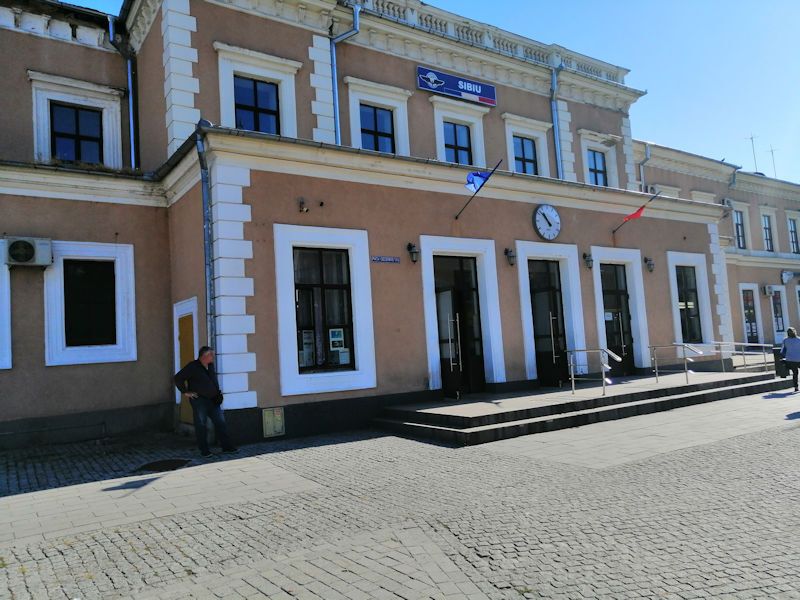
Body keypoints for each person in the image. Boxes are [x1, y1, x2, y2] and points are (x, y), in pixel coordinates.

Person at [174, 346, 238, 456]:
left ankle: (227, 447)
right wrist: (185, 392)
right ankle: (204, 450)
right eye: (211, 355)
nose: (213, 357)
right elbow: (178, 378)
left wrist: (217, 393)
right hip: (200, 401)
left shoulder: (210, 366)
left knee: (220, 423)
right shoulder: (192, 366)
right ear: (204, 356)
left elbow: (213, 381)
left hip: (213, 400)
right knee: (201, 425)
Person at [780, 327, 800, 392]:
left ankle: (796, 387)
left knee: (795, 373)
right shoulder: (799, 339)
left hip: (790, 360)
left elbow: (782, 351)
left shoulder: (785, 340)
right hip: (799, 359)